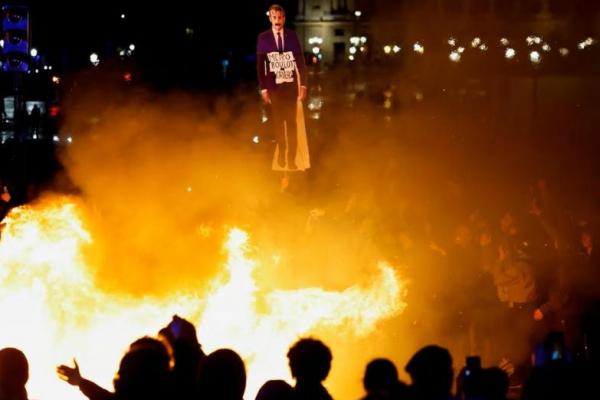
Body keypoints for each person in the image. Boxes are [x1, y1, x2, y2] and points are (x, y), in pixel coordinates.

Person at [256, 4, 308, 172]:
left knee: (292, 125)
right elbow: (260, 65)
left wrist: (303, 85)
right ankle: (281, 153)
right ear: (270, 18)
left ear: (283, 18)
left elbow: (300, 63)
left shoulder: (292, 36)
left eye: (280, 17)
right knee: (279, 125)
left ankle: (291, 159)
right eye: (274, 17)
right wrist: (264, 88)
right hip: (275, 89)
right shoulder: (263, 38)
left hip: (291, 88)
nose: (277, 20)